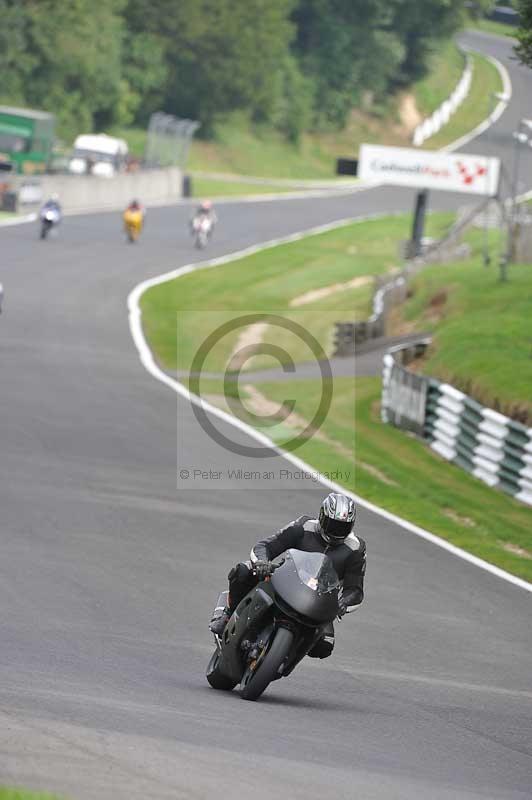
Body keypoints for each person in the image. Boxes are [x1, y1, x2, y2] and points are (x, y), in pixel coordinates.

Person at [209, 492, 366, 659]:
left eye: (343, 527)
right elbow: (264, 546)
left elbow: (355, 590)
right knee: (243, 571)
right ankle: (227, 614)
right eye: (333, 524)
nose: (336, 531)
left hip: (320, 599)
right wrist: (262, 562)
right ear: (322, 516)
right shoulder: (304, 526)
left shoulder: (355, 549)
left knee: (324, 646)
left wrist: (343, 603)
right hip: (285, 578)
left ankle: (284, 657)